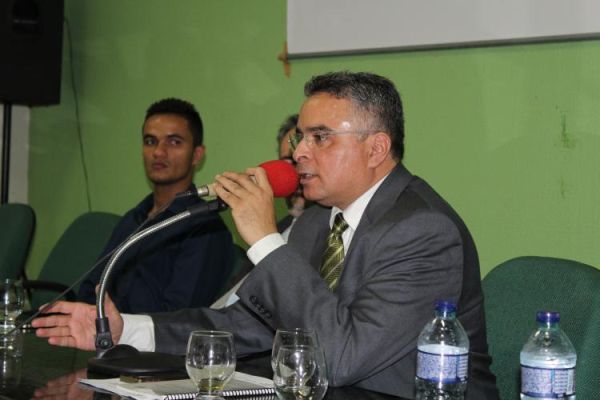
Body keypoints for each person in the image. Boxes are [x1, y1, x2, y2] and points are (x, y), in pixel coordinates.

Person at [34, 72, 499, 399]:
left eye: (320, 137)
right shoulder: (318, 220)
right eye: (300, 138)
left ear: (376, 148)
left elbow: (341, 359)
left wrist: (265, 240)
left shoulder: (423, 231)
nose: (299, 154)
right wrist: (128, 329)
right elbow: (251, 325)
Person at [77, 98, 235, 314]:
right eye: (150, 141)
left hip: (146, 336)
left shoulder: (205, 229)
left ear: (196, 155)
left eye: (174, 142)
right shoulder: (134, 218)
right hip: (100, 330)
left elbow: (178, 319)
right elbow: (90, 290)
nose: (159, 152)